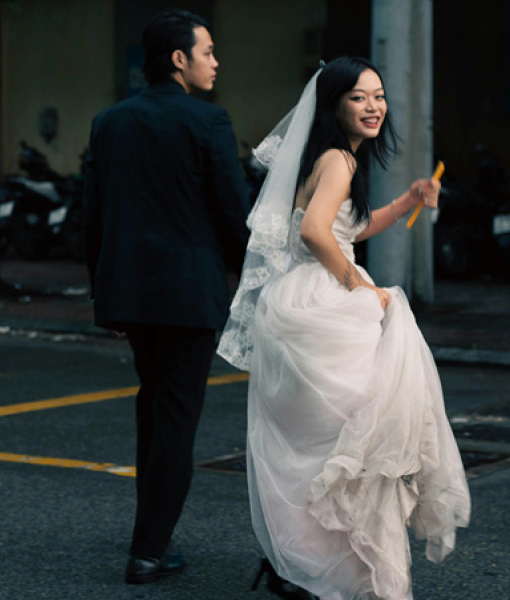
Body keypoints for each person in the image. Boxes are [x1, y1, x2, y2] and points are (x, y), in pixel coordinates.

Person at [218, 57, 470, 600]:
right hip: (324, 299)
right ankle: (307, 565)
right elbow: (316, 232)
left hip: (300, 299)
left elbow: (344, 230)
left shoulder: (329, 158)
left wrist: (406, 201)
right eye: (359, 97)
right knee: (352, 438)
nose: (373, 106)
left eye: (378, 95)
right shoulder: (339, 160)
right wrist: (357, 286)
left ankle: (295, 562)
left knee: (316, 446)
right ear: (334, 104)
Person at [83, 9, 249, 585]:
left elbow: (94, 215)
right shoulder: (209, 121)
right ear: (179, 59)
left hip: (131, 293)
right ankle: (149, 551)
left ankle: (152, 536)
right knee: (175, 419)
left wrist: (105, 294)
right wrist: (254, 279)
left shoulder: (109, 121)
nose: (215, 62)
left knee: (153, 410)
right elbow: (232, 212)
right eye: (207, 52)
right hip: (189, 294)